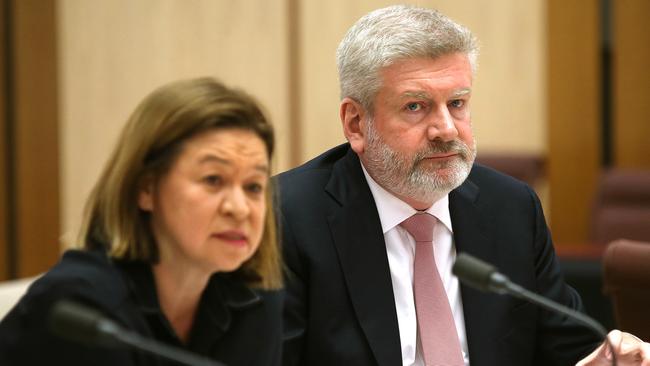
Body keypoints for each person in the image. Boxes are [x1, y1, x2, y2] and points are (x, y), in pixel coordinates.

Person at [276, 5, 650, 366]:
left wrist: (609, 358)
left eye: (457, 103)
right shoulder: (286, 219)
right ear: (356, 123)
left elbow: (567, 349)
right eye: (415, 107)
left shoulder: (511, 210)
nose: (446, 130)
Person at [0, 77, 283, 366]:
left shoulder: (255, 302)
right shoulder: (84, 309)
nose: (239, 209)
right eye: (213, 180)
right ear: (146, 189)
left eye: (253, 187)